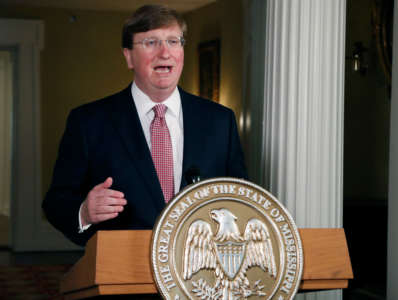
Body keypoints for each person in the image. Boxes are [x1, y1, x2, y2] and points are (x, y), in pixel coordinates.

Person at [42, 4, 247, 247]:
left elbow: (240, 201)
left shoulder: (220, 121)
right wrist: (84, 212)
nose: (165, 53)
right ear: (128, 56)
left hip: (199, 271)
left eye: (173, 41)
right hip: (121, 271)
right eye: (151, 42)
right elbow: (55, 203)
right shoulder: (89, 122)